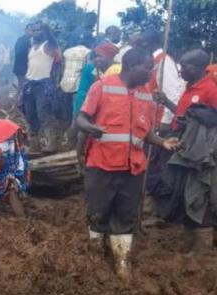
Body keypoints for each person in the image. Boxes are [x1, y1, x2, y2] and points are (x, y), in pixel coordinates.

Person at [76, 48, 179, 281]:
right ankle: (95, 256)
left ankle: (122, 261)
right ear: (132, 66)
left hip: (132, 168)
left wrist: (162, 142)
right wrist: (90, 128)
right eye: (148, 68)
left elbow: (146, 132)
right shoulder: (101, 87)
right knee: (98, 212)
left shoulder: (146, 94)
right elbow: (81, 118)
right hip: (102, 165)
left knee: (126, 215)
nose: (151, 72)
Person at [153, 49, 217, 253]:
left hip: (202, 157)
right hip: (184, 152)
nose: (181, 70)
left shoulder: (210, 90)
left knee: (199, 194)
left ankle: (203, 249)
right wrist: (166, 102)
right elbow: (184, 117)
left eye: (185, 66)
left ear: (198, 67)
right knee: (184, 194)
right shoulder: (190, 88)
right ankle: (190, 244)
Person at [21, 22, 62, 152]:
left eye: (39, 30)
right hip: (30, 84)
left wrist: (47, 29)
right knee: (30, 115)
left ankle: (52, 143)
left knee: (44, 114)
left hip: (43, 85)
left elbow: (54, 44)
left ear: (44, 32)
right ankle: (35, 143)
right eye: (33, 30)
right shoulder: (32, 47)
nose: (35, 33)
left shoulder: (49, 46)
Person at [137, 29, 185, 129]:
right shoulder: (153, 60)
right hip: (149, 118)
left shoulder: (164, 61)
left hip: (160, 121)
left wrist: (165, 122)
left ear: (146, 43)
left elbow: (172, 94)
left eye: (139, 43)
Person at [13, 22, 34, 88]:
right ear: (26, 30)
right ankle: (18, 96)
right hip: (22, 67)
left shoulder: (25, 40)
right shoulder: (23, 40)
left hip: (20, 66)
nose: (32, 32)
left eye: (33, 31)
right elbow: (20, 53)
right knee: (23, 85)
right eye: (30, 30)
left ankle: (18, 96)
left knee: (21, 85)